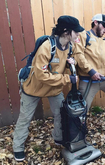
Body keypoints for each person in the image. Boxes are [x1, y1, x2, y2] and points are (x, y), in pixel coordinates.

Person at [13, 15, 84, 161]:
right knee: (25, 118)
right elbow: (41, 76)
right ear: (66, 32)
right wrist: (67, 79)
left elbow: (63, 62)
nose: (78, 34)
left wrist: (72, 62)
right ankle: (18, 147)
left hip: (54, 88)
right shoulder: (47, 47)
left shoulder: (70, 46)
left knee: (60, 113)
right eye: (75, 31)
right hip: (34, 88)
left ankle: (58, 138)